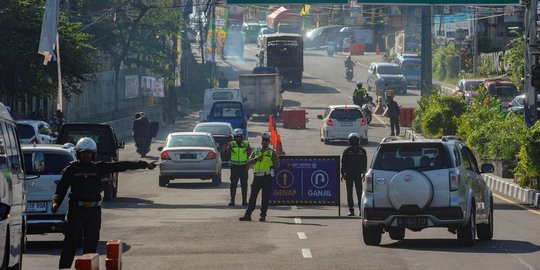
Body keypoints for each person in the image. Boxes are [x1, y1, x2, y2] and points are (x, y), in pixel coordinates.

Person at [52, 137, 157, 269]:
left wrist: (144, 164)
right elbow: (61, 189)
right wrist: (56, 202)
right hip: (76, 211)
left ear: (93, 154)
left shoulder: (98, 168)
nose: (86, 155)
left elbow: (121, 165)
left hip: (93, 212)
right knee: (70, 244)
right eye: (83, 152)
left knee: (90, 246)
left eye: (89, 153)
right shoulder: (71, 169)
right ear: (78, 153)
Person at [239, 132, 279, 222]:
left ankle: (263, 216)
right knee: (252, 197)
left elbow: (277, 165)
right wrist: (256, 159)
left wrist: (272, 168)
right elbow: (248, 161)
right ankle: (247, 215)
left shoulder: (271, 152)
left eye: (266, 140)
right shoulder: (256, 151)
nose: (264, 142)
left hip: (266, 177)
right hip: (257, 177)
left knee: (265, 198)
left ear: (269, 141)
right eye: (263, 140)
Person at [340, 133, 367, 216]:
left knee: (359, 193)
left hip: (357, 175)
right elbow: (343, 163)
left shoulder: (362, 151)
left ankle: (360, 210)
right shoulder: (347, 151)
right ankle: (351, 210)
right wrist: (343, 173)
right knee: (350, 193)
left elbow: (364, 163)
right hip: (349, 175)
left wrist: (364, 173)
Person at [228, 128, 252, 206]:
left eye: (239, 136)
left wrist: (248, 165)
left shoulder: (246, 144)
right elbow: (227, 153)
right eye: (236, 136)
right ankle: (232, 201)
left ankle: (244, 201)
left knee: (244, 184)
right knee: (233, 184)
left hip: (243, 167)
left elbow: (250, 155)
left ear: (242, 136)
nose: (238, 138)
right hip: (234, 167)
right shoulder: (232, 144)